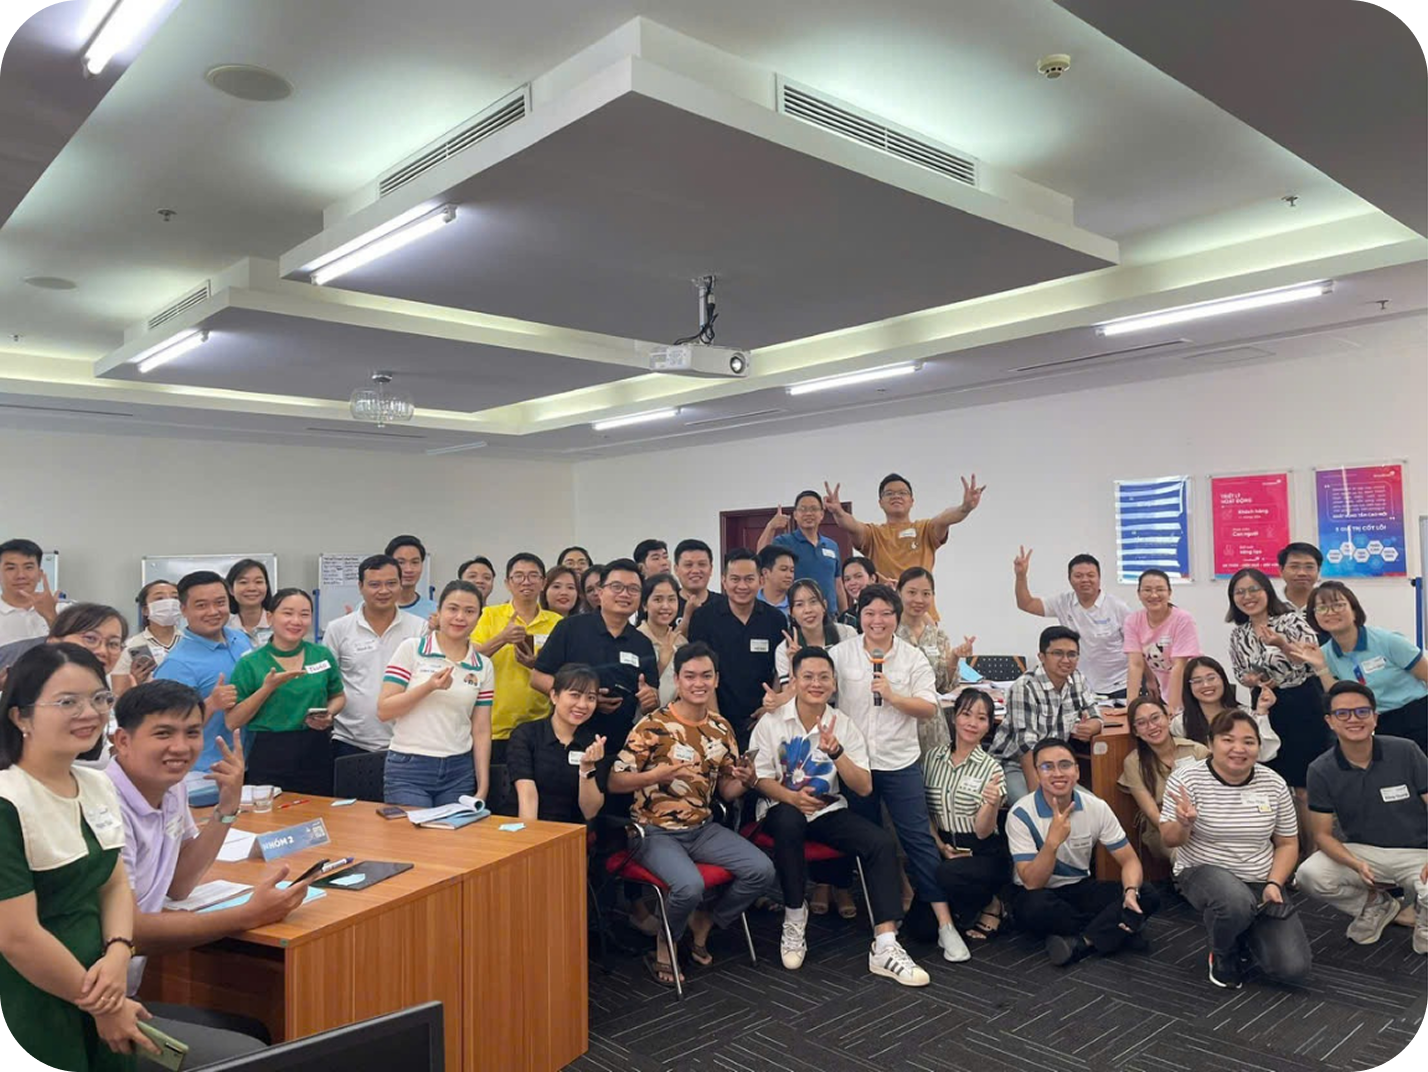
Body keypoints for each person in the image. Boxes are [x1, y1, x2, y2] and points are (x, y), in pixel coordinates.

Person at [108, 681, 316, 1063]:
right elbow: (132, 929)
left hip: (126, 993)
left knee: (256, 1030)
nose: (180, 747)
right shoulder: (105, 806)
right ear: (122, 740)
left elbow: (180, 883)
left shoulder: (171, 788)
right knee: (250, 1055)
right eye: (163, 734)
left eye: (192, 733)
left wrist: (227, 806)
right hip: (93, 1008)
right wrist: (247, 915)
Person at [0, 643, 159, 1069]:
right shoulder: (7, 802)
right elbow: (16, 937)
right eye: (67, 702)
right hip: (33, 995)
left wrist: (119, 953)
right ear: (20, 717)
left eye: (99, 698)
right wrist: (103, 1005)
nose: (89, 713)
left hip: (102, 981)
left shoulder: (97, 784)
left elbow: (114, 883)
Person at [751, 646, 931, 985]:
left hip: (827, 811)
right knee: (789, 820)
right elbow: (758, 778)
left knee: (879, 842)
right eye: (808, 676)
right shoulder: (772, 722)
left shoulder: (842, 724)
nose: (816, 683)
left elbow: (863, 787)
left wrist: (836, 752)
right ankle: (794, 916)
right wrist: (791, 797)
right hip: (781, 808)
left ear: (834, 684)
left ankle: (885, 943)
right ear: (795, 681)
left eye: (824, 677)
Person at [607, 643, 775, 987]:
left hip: (702, 828)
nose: (699, 683)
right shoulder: (653, 725)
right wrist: (655, 776)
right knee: (689, 886)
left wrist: (746, 781)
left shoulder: (721, 727)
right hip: (653, 831)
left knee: (762, 870)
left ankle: (706, 921)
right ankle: (664, 943)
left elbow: (726, 790)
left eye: (706, 676)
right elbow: (614, 781)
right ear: (678, 680)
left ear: (716, 680)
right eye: (690, 676)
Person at [828, 585, 965, 961]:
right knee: (873, 844)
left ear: (896, 616)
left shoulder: (911, 657)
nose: (878, 621)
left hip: (900, 761)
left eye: (886, 613)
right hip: (857, 764)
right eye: (870, 613)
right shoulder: (840, 654)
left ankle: (945, 925)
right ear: (859, 616)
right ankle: (884, 924)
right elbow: (817, 689)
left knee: (918, 841)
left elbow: (928, 707)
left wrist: (893, 696)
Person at [1160, 709, 1310, 988]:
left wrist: (1274, 883)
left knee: (1292, 968)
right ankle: (1223, 952)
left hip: (1259, 878)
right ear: (1211, 743)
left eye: (1248, 741)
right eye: (1228, 740)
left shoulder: (1273, 783)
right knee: (1234, 903)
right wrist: (1183, 823)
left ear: (1258, 747)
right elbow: (1170, 840)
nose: (1238, 749)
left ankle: (1239, 925)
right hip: (1202, 869)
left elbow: (1288, 843)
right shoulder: (1187, 779)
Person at [1297, 681, 1427, 954]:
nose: (1353, 719)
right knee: (1309, 874)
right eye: (1342, 713)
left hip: (1419, 852)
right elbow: (1322, 835)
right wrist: (1354, 864)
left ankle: (1424, 924)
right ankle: (1375, 905)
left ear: (1375, 718)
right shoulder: (1320, 770)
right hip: (1365, 852)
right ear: (1330, 721)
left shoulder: (1406, 751)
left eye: (1362, 712)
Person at [1007, 737, 1157, 966]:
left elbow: (1130, 861)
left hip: (1079, 887)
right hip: (1039, 892)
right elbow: (1032, 882)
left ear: (1077, 771)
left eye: (1065, 765)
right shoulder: (1021, 814)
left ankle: (1083, 942)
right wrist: (1052, 842)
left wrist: (1130, 892)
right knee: (1033, 909)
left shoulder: (1096, 807)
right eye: (1047, 767)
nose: (1057, 773)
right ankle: (1115, 931)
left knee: (1146, 894)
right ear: (1037, 774)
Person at [1225, 568, 1324, 840]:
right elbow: (1240, 674)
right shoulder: (1239, 634)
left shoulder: (1291, 620)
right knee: (1270, 782)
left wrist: (1281, 644)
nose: (1248, 597)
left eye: (1253, 589)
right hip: (1265, 705)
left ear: (1267, 591)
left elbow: (1312, 660)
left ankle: (1313, 850)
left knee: (1303, 787)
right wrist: (1250, 679)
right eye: (1240, 592)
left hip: (1302, 703)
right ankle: (1282, 849)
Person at [378, 581, 493, 808]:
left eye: (469, 611)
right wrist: (428, 687)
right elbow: (384, 710)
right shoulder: (412, 649)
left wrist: (483, 787)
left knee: (453, 831)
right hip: (409, 767)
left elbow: (481, 730)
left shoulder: (483, 665)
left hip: (459, 769)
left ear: (479, 618)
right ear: (438, 612)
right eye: (453, 609)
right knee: (414, 830)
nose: (460, 617)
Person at [225, 589, 344, 796]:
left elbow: (338, 696)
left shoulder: (321, 654)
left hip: (316, 748)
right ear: (270, 617)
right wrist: (267, 688)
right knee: (270, 812)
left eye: (304, 614)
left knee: (319, 810)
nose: (296, 621)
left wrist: (329, 713)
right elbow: (232, 721)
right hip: (270, 752)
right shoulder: (250, 663)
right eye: (288, 613)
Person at [530, 560, 659, 749]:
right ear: (600, 591)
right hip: (568, 741)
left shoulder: (642, 643)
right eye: (617, 587)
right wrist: (586, 698)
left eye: (633, 589)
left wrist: (650, 700)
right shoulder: (570, 628)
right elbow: (537, 678)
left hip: (620, 743)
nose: (625, 594)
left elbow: (651, 697)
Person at [153, 572, 252, 807]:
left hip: (246, 765)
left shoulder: (240, 639)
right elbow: (166, 729)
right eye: (201, 605)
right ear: (183, 610)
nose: (213, 611)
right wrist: (210, 704)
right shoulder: (177, 664)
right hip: (203, 775)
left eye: (220, 602)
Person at [822, 473, 987, 614]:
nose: (896, 496)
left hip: (923, 615)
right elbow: (852, 526)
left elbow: (944, 518)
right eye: (889, 493)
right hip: (886, 616)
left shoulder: (924, 529)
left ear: (912, 500)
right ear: (880, 502)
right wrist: (838, 512)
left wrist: (964, 508)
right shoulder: (873, 534)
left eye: (902, 493)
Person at [1296, 581, 1428, 751]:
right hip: (1377, 724)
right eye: (1322, 608)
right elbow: (1340, 697)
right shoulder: (1324, 654)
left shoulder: (1387, 641)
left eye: (1338, 605)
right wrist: (1320, 666)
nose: (1331, 612)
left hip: (1418, 716)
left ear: (1354, 610)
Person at [923, 688, 1010, 943]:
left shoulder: (992, 769)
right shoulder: (932, 758)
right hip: (943, 847)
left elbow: (983, 832)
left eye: (981, 718)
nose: (972, 723)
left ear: (989, 725)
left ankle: (992, 903)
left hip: (981, 852)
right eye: (966, 714)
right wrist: (940, 846)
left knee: (947, 874)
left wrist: (991, 804)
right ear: (954, 718)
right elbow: (923, 811)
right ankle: (963, 909)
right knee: (921, 929)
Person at [322, 555, 427, 760]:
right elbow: (327, 683)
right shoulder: (338, 629)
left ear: (400, 584)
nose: (384, 591)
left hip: (405, 741)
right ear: (360, 586)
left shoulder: (419, 628)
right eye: (374, 584)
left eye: (391, 583)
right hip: (349, 741)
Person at [685, 549, 786, 750]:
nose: (742, 586)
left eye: (749, 579)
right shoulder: (704, 618)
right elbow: (700, 670)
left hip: (762, 718)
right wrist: (716, 720)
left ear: (761, 580)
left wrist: (770, 707)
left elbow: (780, 668)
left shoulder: (775, 619)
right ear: (724, 581)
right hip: (713, 715)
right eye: (735, 579)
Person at [989, 626, 1103, 800]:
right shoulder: (1025, 687)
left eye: (1072, 654)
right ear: (1041, 657)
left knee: (1092, 805)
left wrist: (1093, 726)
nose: (1066, 660)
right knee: (1034, 808)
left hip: (1055, 766)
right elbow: (1026, 746)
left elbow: (1095, 713)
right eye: (1058, 653)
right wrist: (1039, 800)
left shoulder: (1077, 679)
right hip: (1014, 764)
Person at [471, 553, 562, 768]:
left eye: (533, 576)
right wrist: (503, 638)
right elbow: (470, 660)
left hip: (540, 725)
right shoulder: (488, 615)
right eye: (519, 576)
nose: (526, 581)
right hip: (493, 726)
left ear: (543, 582)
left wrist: (536, 665)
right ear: (507, 583)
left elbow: (566, 675)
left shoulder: (558, 622)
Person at [1013, 548, 1131, 698]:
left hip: (1118, 685)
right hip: (1078, 686)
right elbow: (1026, 604)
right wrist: (1021, 576)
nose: (1085, 580)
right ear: (1070, 579)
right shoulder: (1063, 602)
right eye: (1078, 576)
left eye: (1090, 575)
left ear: (1099, 578)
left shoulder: (1118, 607)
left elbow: (1135, 648)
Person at [508, 664, 607, 824]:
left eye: (590, 698)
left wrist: (587, 768)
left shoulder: (593, 742)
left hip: (571, 831)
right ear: (554, 696)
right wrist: (530, 837)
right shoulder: (527, 734)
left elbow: (590, 811)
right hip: (526, 827)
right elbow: (527, 795)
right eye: (575, 695)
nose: (582, 705)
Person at [1118, 696, 1210, 860]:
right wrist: (1179, 829)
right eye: (1141, 723)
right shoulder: (1134, 763)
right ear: (1135, 731)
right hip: (1163, 828)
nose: (1152, 726)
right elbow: (1151, 812)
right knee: (1187, 856)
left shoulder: (1197, 751)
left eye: (1155, 718)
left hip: (1203, 822)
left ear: (1168, 717)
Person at [1123, 569, 1201, 715]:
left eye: (1160, 589)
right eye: (1147, 590)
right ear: (1139, 594)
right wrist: (1130, 708)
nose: (1154, 595)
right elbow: (1135, 664)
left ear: (1169, 593)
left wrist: (1173, 708)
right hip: (1166, 692)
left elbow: (1179, 665)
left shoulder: (1182, 619)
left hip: (1193, 690)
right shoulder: (1133, 621)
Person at [757, 490, 842, 610]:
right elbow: (760, 558)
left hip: (830, 614)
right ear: (795, 515)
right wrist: (771, 527)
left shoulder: (832, 545)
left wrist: (845, 614)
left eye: (813, 509)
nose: (808, 513)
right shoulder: (784, 542)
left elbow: (838, 584)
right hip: (799, 613)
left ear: (822, 514)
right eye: (803, 509)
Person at [895, 568, 975, 693]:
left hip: (932, 703)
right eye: (912, 592)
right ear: (899, 593)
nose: (919, 600)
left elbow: (945, 687)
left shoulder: (938, 637)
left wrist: (954, 656)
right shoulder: (889, 632)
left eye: (926, 594)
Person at [774, 579, 857, 688]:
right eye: (799, 604)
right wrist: (792, 663)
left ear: (824, 606)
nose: (808, 610)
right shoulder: (785, 649)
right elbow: (789, 693)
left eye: (813, 602)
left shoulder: (846, 634)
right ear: (791, 612)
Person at [111, 581, 182, 697]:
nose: (169, 603)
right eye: (159, 598)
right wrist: (135, 682)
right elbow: (117, 697)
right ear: (145, 610)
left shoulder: (191, 642)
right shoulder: (131, 646)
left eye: (175, 598)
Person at [637, 573, 686, 706]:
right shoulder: (635, 640)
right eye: (658, 600)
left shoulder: (681, 642)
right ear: (644, 605)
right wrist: (662, 663)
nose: (665, 606)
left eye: (671, 599)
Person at [0, 537, 59, 645]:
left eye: (28, 567)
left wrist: (51, 616)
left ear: (40, 574)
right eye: (11, 568)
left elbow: (78, 651)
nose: (21, 575)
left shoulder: (66, 610)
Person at [225, 559, 273, 649]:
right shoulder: (224, 627)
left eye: (258, 582)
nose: (252, 588)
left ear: (266, 586)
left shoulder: (278, 623)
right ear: (231, 589)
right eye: (243, 582)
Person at [386, 535, 436, 619]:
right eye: (401, 562)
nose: (409, 569)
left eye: (415, 562)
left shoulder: (435, 612)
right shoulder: (370, 610)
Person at [673, 539, 716, 624]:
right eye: (688, 565)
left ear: (711, 569)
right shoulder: (667, 605)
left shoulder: (725, 604)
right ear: (676, 570)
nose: (695, 571)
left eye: (702, 564)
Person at [1277, 542, 1323, 614]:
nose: (1302, 573)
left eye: (1309, 567)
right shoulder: (1270, 601)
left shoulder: (1328, 601)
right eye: (1294, 567)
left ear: (1318, 570)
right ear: (1281, 570)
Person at [836, 556, 876, 630]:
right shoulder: (846, 617)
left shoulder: (887, 609)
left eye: (858, 576)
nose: (852, 583)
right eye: (847, 579)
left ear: (872, 578)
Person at [756, 544, 796, 619]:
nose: (789, 575)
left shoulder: (796, 605)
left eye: (792, 570)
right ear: (765, 572)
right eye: (783, 569)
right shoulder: (750, 603)